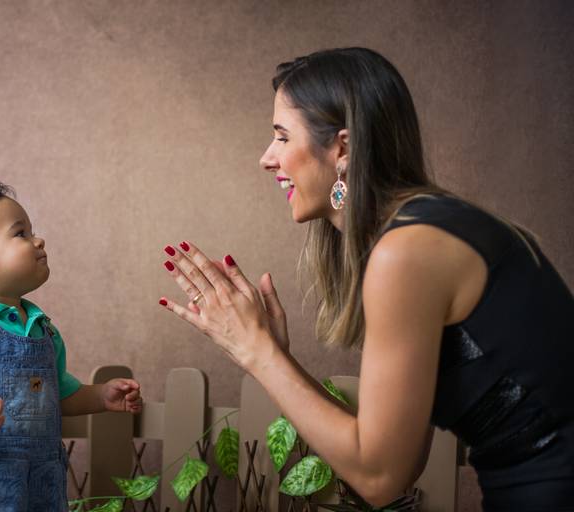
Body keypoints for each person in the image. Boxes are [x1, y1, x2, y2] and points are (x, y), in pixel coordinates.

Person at [158, 48, 574, 511]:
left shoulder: (407, 252)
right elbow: (399, 463)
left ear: (343, 148)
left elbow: (378, 478)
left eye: (281, 136)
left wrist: (256, 351)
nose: (266, 158)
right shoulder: (421, 229)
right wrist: (275, 355)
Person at [0, 182, 143, 511]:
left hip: (38, 484)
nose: (38, 240)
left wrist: (101, 396)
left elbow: (58, 395)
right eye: (21, 233)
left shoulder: (41, 327)